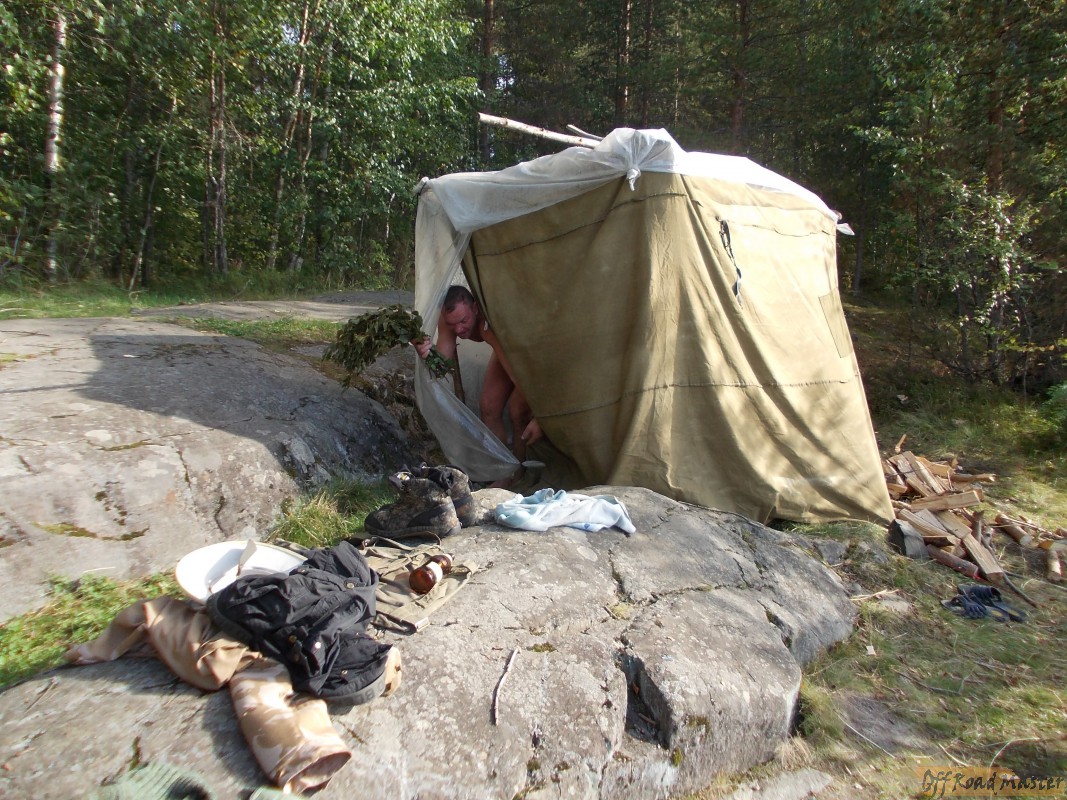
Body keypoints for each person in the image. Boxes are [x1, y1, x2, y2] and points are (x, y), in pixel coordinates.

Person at [414, 285, 543, 460]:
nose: (458, 330)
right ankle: (503, 467)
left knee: (517, 409)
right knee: (488, 407)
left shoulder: (487, 323)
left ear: (475, 308)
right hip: (506, 350)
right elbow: (441, 366)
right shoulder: (449, 321)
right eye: (452, 325)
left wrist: (541, 417)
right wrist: (425, 352)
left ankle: (521, 469)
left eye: (464, 321)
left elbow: (516, 375)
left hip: (530, 349)